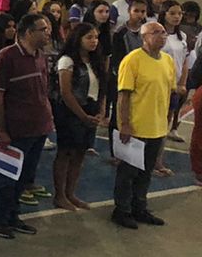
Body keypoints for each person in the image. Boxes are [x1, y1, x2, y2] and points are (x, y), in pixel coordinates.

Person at [0, 12, 54, 239]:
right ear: (27, 32)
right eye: (43, 29)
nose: (48, 33)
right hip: (16, 130)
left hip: (38, 127)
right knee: (7, 178)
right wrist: (2, 129)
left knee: (25, 177)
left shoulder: (40, 56)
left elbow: (42, 90)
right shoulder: (6, 57)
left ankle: (14, 216)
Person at [111, 20, 177, 230]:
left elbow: (168, 92)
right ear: (144, 37)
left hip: (157, 127)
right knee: (128, 172)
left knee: (146, 172)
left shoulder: (167, 61)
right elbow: (124, 95)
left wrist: (166, 121)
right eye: (156, 32)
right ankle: (121, 210)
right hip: (136, 127)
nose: (162, 36)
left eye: (164, 32)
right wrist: (125, 124)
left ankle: (140, 207)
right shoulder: (132, 61)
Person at [53, 22, 106, 212]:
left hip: (89, 109)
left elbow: (101, 89)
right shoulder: (67, 60)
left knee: (80, 153)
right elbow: (66, 92)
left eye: (96, 37)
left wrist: (100, 111)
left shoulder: (95, 62)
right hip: (70, 111)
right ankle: (59, 195)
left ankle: (71, 193)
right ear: (78, 39)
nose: (94, 41)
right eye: (89, 37)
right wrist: (82, 115)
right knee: (66, 152)